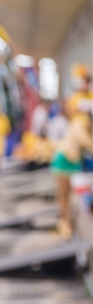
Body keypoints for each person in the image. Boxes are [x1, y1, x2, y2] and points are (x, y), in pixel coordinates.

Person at [51, 94, 93, 239]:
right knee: (64, 196)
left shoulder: (81, 122)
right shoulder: (80, 122)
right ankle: (66, 224)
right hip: (64, 160)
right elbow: (85, 141)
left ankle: (67, 223)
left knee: (67, 196)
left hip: (71, 160)